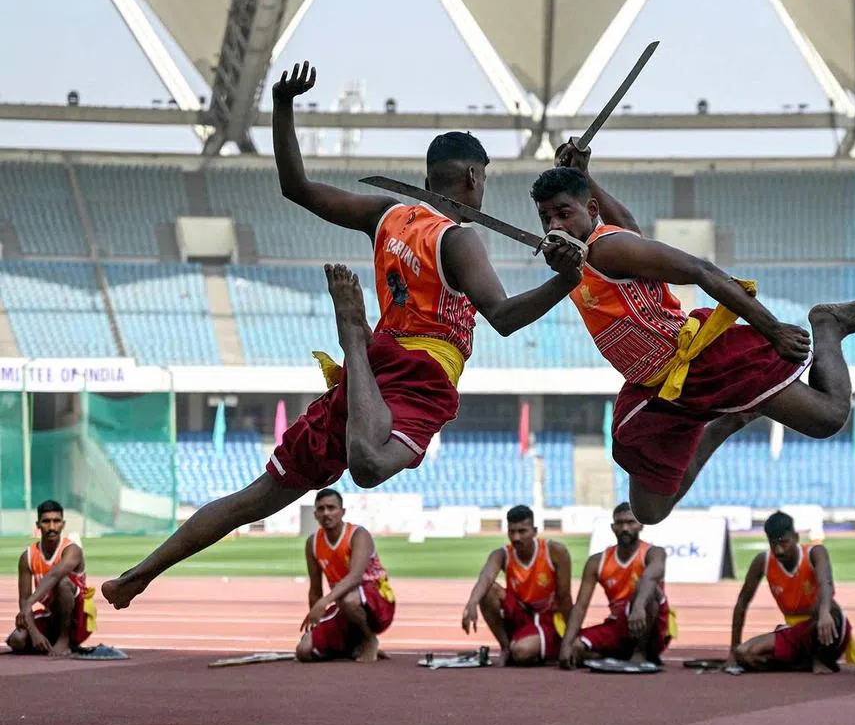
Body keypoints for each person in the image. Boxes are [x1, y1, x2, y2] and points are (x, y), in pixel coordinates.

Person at [101, 61, 584, 611]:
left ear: (428, 180)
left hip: (374, 367)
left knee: (259, 495)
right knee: (371, 466)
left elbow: (297, 186)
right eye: (485, 179)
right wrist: (565, 279)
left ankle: (142, 573)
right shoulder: (461, 240)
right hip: (417, 373)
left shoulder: (387, 215)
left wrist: (282, 108)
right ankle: (350, 331)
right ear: (474, 178)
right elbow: (502, 315)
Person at [533, 142, 855, 526]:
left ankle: (828, 325)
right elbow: (631, 230)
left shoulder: (608, 249)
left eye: (564, 213)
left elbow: (701, 270)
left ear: (590, 211)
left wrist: (770, 329)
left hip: (697, 361)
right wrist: (585, 177)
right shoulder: (578, 256)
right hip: (655, 386)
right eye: (545, 217)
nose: (555, 225)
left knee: (829, 418)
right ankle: (727, 421)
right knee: (649, 511)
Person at [728, 511, 855, 673]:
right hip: (793, 632)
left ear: (796, 537)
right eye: (773, 543)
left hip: (823, 626)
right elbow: (742, 602)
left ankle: (821, 659)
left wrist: (824, 612)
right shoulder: (763, 561)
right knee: (743, 653)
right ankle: (802, 665)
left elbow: (826, 583)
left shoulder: (815, 553)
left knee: (829, 607)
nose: (779, 550)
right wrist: (732, 651)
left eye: (784, 543)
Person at [559, 503, 675, 669]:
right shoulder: (597, 561)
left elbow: (650, 578)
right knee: (575, 649)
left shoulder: (654, 553)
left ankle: (640, 653)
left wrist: (639, 606)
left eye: (630, 522)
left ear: (640, 525)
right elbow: (580, 606)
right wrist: (566, 644)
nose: (625, 528)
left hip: (650, 620)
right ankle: (620, 654)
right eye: (619, 523)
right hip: (618, 623)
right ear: (613, 527)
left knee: (648, 589)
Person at [461, 505, 572, 666]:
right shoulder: (502, 554)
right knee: (487, 590)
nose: (516, 538)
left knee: (521, 652)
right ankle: (506, 647)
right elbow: (486, 577)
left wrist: (570, 638)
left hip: (546, 617)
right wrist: (472, 603)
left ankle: (546, 646)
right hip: (520, 612)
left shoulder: (554, 551)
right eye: (512, 531)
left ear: (534, 531)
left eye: (522, 531)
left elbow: (564, 597)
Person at [295, 489, 395, 663]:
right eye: (321, 509)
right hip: (344, 605)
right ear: (315, 514)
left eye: (331, 508)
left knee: (347, 598)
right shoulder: (313, 543)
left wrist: (324, 602)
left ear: (342, 512)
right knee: (304, 651)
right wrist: (315, 622)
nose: (326, 513)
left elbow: (355, 577)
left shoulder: (357, 535)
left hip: (377, 601)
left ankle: (370, 639)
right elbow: (315, 588)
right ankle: (353, 646)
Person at [6, 500, 96, 657]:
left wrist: (28, 605)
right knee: (17, 640)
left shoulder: (72, 550)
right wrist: (33, 633)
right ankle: (46, 642)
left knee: (63, 583)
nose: (52, 527)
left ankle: (65, 640)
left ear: (63, 524)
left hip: (78, 618)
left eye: (56, 521)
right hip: (51, 615)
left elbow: (54, 575)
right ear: (38, 524)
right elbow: (23, 599)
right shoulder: (27, 556)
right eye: (46, 521)